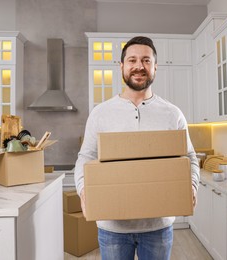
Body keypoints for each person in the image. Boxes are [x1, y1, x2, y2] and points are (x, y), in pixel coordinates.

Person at [74, 36, 199, 260]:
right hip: (113, 228)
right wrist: (84, 190)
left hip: (158, 227)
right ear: (121, 66)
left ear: (155, 66)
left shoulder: (172, 114)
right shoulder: (101, 113)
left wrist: (192, 185)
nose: (139, 66)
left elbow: (189, 156)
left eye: (146, 60)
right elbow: (86, 157)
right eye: (132, 60)